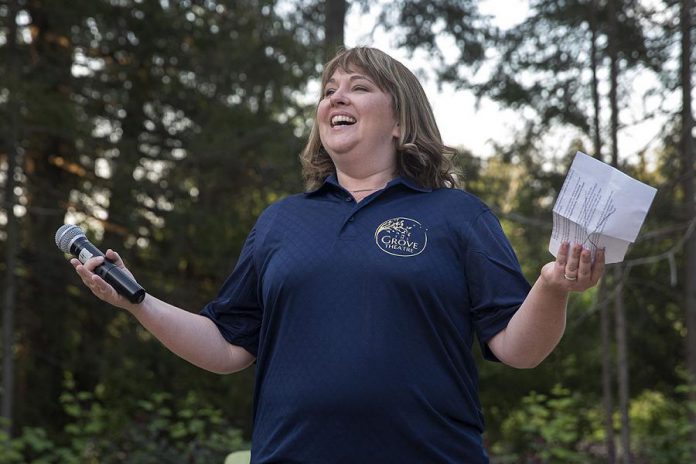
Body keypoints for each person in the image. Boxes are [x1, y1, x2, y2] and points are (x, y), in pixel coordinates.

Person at [70, 47, 605, 463]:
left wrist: (554, 286)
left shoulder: (459, 216)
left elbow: (518, 348)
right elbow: (227, 347)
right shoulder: (281, 222)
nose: (335, 98)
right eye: (328, 91)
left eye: (358, 87)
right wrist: (137, 300)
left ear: (400, 122)